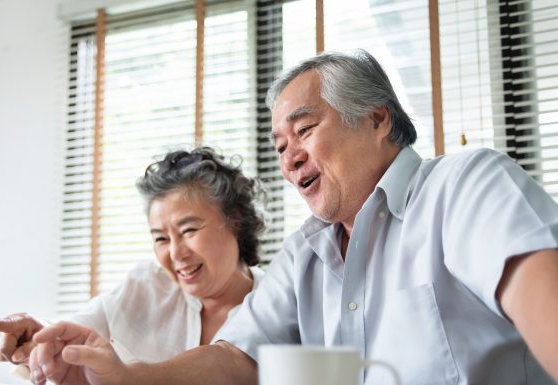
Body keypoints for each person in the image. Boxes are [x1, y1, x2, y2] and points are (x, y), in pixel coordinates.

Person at [27, 50, 558, 385]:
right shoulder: (304, 253)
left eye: (304, 131)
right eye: (280, 145)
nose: (289, 158)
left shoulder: (464, 185)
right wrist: (127, 378)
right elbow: (234, 358)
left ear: (377, 120)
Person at [0, 147, 267, 374]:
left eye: (189, 230)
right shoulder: (145, 286)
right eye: (161, 239)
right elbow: (76, 328)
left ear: (236, 221)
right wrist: (39, 334)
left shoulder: (277, 302)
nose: (176, 254)